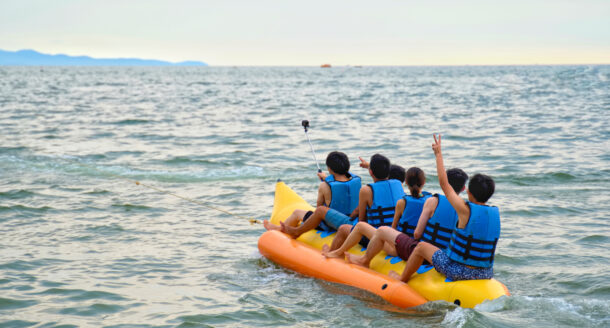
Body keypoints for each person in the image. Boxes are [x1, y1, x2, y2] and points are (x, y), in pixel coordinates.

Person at [390, 134, 500, 283]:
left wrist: (438, 154)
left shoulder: (465, 210)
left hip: (459, 271)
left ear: (468, 191)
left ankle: (402, 279)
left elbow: (444, 184)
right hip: (486, 273)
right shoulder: (495, 213)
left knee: (421, 247)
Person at [343, 168, 468, 268]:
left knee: (369, 228)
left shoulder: (431, 202)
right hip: (442, 256)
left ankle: (360, 259)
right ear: (463, 188)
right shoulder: (466, 210)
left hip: (417, 252)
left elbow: (417, 234)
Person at [283, 154, 403, 240]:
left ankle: (293, 231)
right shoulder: (397, 183)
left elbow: (361, 221)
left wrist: (327, 181)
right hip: (393, 232)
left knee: (314, 211)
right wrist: (368, 166)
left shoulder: (366, 190)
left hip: (366, 230)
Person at [323, 166, 429, 259]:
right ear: (424, 182)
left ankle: (339, 253)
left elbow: (392, 229)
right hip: (417, 246)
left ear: (405, 182)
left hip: (399, 248)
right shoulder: (429, 201)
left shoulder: (402, 202)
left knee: (359, 226)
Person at [263, 151, 361, 233]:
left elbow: (319, 207)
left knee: (297, 212)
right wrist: (326, 178)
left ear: (329, 169)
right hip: (351, 221)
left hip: (331, 224)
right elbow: (342, 186)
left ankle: (280, 229)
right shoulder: (357, 182)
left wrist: (326, 182)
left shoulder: (324, 186)